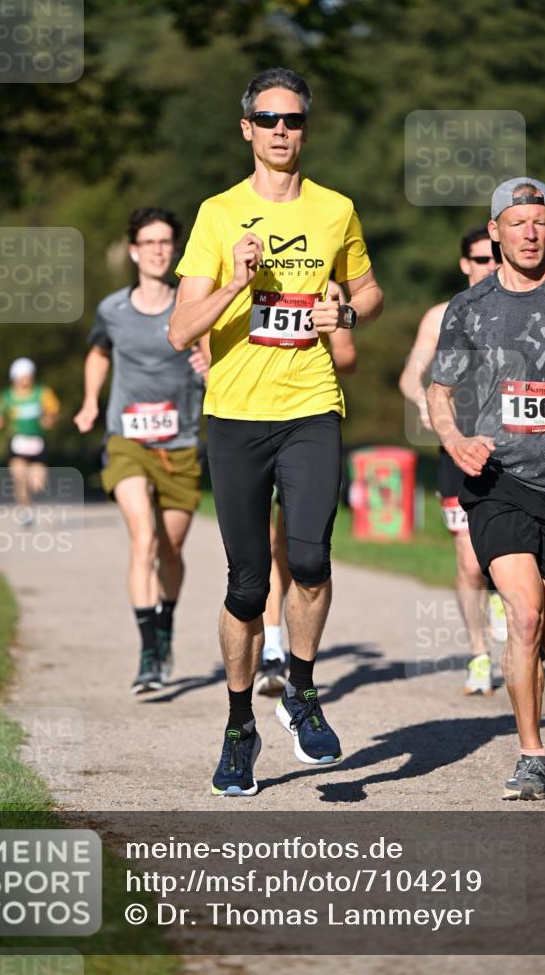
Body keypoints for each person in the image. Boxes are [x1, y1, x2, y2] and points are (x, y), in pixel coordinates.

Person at [170, 67, 384, 796]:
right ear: (247, 129)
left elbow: (369, 292)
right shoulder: (218, 213)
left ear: (305, 129)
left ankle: (301, 689)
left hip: (311, 406)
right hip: (235, 416)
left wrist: (345, 314)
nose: (280, 130)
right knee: (246, 584)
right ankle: (239, 728)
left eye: (291, 119)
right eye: (267, 119)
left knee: (311, 558)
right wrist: (235, 281)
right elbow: (179, 329)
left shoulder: (335, 209)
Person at [427, 177, 545, 801]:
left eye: (539, 222)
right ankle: (531, 755)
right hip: (497, 481)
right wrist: (454, 441)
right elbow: (440, 390)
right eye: (517, 223)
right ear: (495, 231)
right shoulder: (469, 307)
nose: (529, 233)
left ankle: (524, 655)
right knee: (525, 617)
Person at [74, 207, 208, 694]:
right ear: (134, 251)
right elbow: (99, 352)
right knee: (143, 540)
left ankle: (165, 625)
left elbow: (219, 359)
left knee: (171, 551)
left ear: (176, 250)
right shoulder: (113, 310)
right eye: (149, 242)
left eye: (165, 242)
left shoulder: (195, 307)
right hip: (127, 440)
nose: (157, 250)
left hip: (181, 444)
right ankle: (148, 655)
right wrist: (91, 401)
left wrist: (209, 366)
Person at [399, 227, 505, 696]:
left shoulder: (525, 310)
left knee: (512, 553)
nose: (491, 266)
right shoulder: (441, 315)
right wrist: (423, 402)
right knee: (468, 559)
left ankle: (503, 594)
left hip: (514, 449)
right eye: (481, 259)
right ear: (465, 264)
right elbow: (410, 375)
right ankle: (479, 655)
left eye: (497, 257)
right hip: (458, 449)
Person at [258, 278, 357, 696]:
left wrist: (339, 319)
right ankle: (270, 647)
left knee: (295, 547)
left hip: (305, 421)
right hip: (247, 419)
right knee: (261, 544)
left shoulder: (327, 287)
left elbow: (347, 359)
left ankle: (280, 654)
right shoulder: (244, 273)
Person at [0, 357, 60, 521]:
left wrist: (50, 419)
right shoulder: (7, 397)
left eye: (28, 376)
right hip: (17, 444)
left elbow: (54, 412)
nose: (25, 380)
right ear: (14, 377)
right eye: (22, 376)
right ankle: (25, 509)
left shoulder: (42, 393)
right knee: (19, 478)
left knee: (37, 484)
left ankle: (30, 496)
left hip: (37, 443)